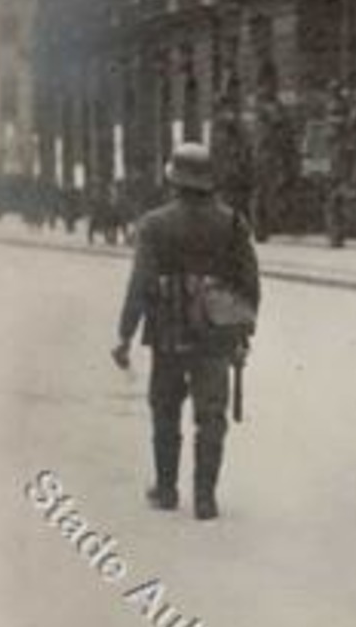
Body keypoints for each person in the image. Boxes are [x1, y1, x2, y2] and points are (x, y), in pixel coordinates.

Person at [112, 142, 261, 521]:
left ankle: (166, 489)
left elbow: (141, 283)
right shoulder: (232, 223)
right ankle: (205, 498)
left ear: (174, 181)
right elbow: (249, 284)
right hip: (215, 332)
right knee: (212, 414)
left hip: (168, 329)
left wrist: (125, 334)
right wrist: (243, 331)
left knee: (165, 409)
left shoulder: (154, 224)